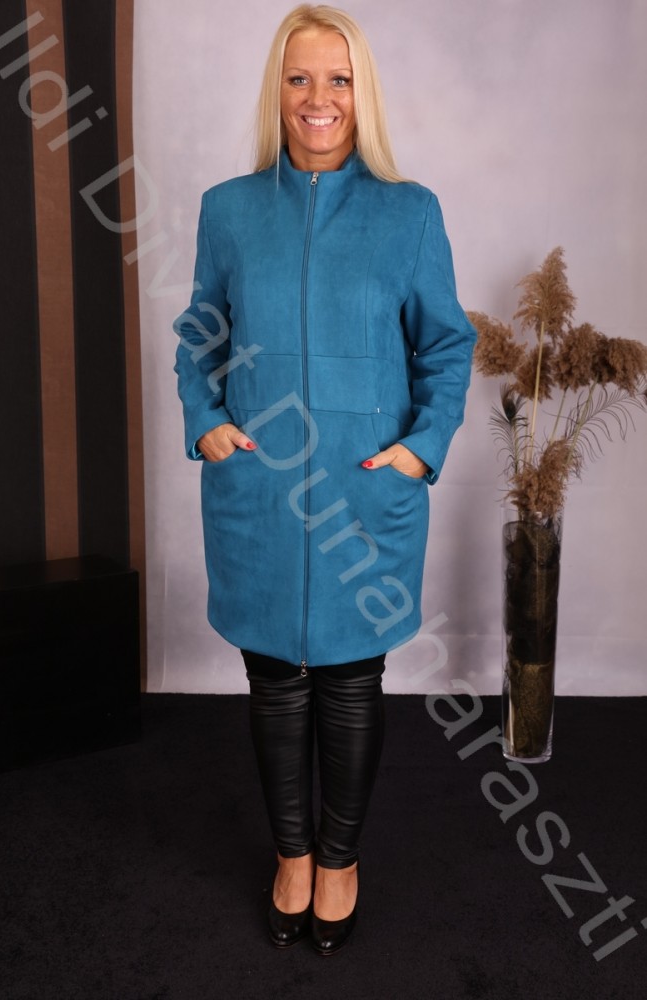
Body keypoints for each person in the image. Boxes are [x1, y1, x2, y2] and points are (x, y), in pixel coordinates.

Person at [174, 3, 476, 955]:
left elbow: (447, 347)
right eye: (300, 78)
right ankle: (292, 854)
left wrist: (421, 448)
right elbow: (200, 336)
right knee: (273, 680)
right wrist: (207, 426)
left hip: (362, 488)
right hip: (261, 492)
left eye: (338, 79)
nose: (319, 98)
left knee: (350, 679)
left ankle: (339, 860)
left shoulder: (409, 211)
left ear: (361, 92)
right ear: (278, 89)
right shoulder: (229, 209)